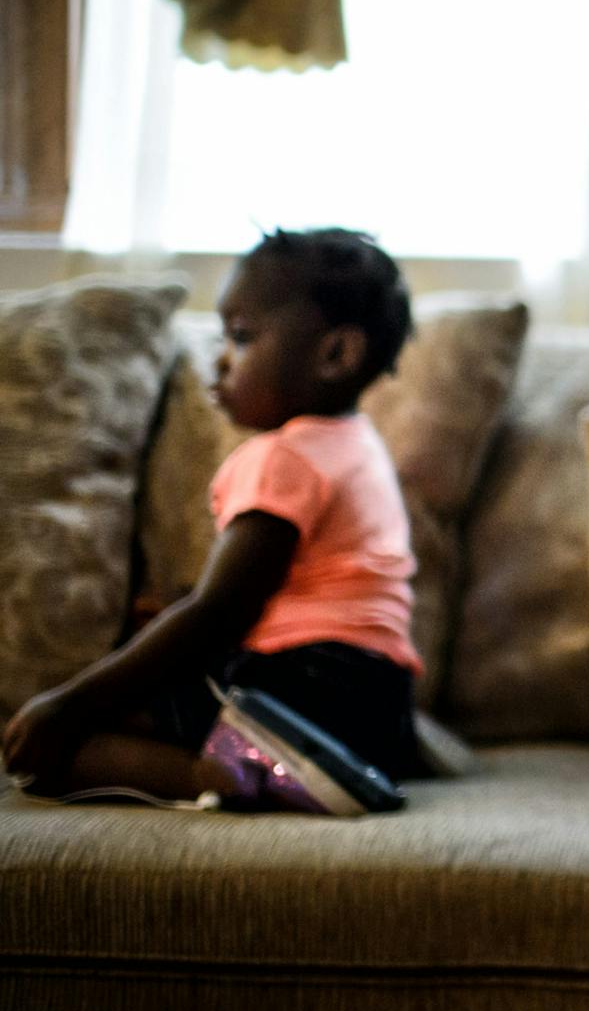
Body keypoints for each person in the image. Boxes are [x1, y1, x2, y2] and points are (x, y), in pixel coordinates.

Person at [2, 229, 423, 808]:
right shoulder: (358, 446)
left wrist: (69, 701)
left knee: (52, 756)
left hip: (299, 687)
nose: (220, 358)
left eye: (242, 337)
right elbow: (273, 586)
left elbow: (217, 614)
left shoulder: (283, 457)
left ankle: (231, 777)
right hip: (379, 695)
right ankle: (361, 754)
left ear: (335, 355)